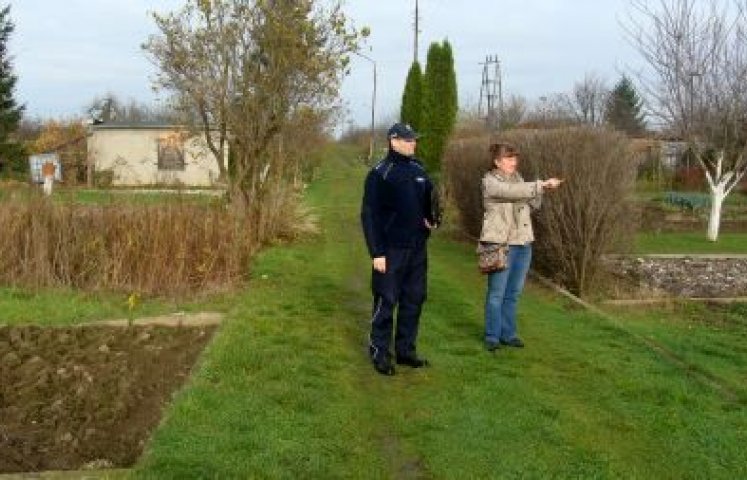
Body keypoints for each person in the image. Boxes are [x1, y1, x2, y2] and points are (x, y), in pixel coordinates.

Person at [360, 122, 437, 376]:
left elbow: (429, 204)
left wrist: (431, 220)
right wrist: (377, 252)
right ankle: (379, 352)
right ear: (393, 141)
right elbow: (369, 215)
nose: (413, 143)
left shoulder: (419, 170)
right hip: (391, 250)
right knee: (386, 300)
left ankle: (405, 351)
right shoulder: (380, 173)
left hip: (417, 248)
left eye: (414, 139)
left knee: (414, 300)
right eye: (407, 140)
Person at [480, 143, 562, 352]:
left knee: (513, 293)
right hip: (501, 245)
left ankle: (509, 334)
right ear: (497, 162)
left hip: (523, 243)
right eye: (508, 158)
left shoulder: (520, 180)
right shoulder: (490, 182)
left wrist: (542, 190)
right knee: (497, 293)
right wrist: (540, 185)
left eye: (514, 158)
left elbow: (534, 205)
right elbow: (510, 193)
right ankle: (492, 336)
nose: (513, 162)